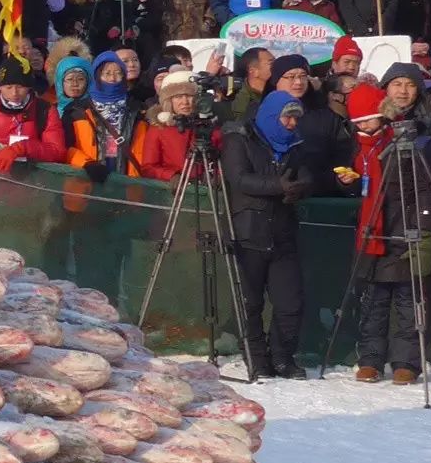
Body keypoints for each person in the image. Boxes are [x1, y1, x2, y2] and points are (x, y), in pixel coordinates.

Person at [344, 83, 431, 384]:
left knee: (407, 301)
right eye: (358, 122)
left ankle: (407, 362)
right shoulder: (357, 149)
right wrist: (347, 182)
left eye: (369, 120)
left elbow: (425, 190)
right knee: (373, 301)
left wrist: (423, 228)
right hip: (372, 232)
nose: (365, 126)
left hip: (402, 229)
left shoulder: (404, 145)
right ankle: (370, 359)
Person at [221, 89, 312, 379]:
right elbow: (238, 178)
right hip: (248, 231)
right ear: (273, 116)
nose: (291, 124)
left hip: (282, 231)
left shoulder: (296, 145)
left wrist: (300, 187)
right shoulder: (241, 139)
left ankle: (283, 357)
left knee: (290, 302)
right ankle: (256, 357)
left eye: (295, 118)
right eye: (287, 117)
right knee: (250, 302)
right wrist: (278, 186)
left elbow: (307, 174)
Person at [128, 68, 200, 181]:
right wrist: (172, 176)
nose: (185, 102)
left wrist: (216, 177)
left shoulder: (207, 126)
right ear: (169, 101)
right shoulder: (159, 128)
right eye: (178, 97)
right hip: (171, 192)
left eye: (189, 96)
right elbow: (148, 167)